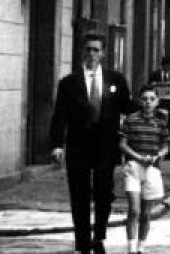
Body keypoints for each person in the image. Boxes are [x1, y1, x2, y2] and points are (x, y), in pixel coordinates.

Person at [49, 33, 137, 254]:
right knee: (79, 193)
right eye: (88, 49)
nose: (92, 54)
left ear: (103, 53)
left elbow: (127, 106)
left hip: (106, 145)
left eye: (96, 50)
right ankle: (82, 240)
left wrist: (150, 108)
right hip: (78, 145)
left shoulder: (116, 80)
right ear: (83, 52)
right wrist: (57, 144)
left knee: (104, 193)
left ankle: (99, 236)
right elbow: (60, 115)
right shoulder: (69, 83)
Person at [119, 85, 170, 254]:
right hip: (133, 167)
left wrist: (159, 155)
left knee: (146, 214)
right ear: (139, 101)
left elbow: (166, 146)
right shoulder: (131, 120)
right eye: (144, 99)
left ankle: (141, 246)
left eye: (151, 99)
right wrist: (137, 157)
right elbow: (122, 144)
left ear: (157, 102)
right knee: (134, 210)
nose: (148, 102)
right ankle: (131, 248)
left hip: (152, 169)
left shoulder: (160, 123)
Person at [147, 56, 170, 160]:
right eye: (165, 66)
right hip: (156, 105)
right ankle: (154, 151)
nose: (167, 68)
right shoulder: (154, 75)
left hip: (168, 106)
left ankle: (168, 152)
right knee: (155, 127)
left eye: (168, 66)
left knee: (167, 129)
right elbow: (148, 87)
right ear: (162, 65)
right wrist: (153, 85)